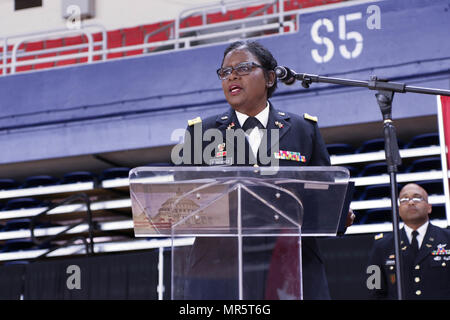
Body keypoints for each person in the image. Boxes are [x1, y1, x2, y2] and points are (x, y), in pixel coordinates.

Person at [176, 40, 354, 300]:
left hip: (290, 266)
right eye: (225, 72)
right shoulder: (202, 132)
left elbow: (323, 194)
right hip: (221, 269)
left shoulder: (304, 129)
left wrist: (336, 214)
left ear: (270, 77)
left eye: (244, 68)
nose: (233, 76)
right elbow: (182, 199)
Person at [367, 183, 450, 299]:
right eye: (404, 199)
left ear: (429, 207)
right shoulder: (382, 246)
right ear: (398, 209)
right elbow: (373, 289)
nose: (411, 202)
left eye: (417, 197)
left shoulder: (447, 238)